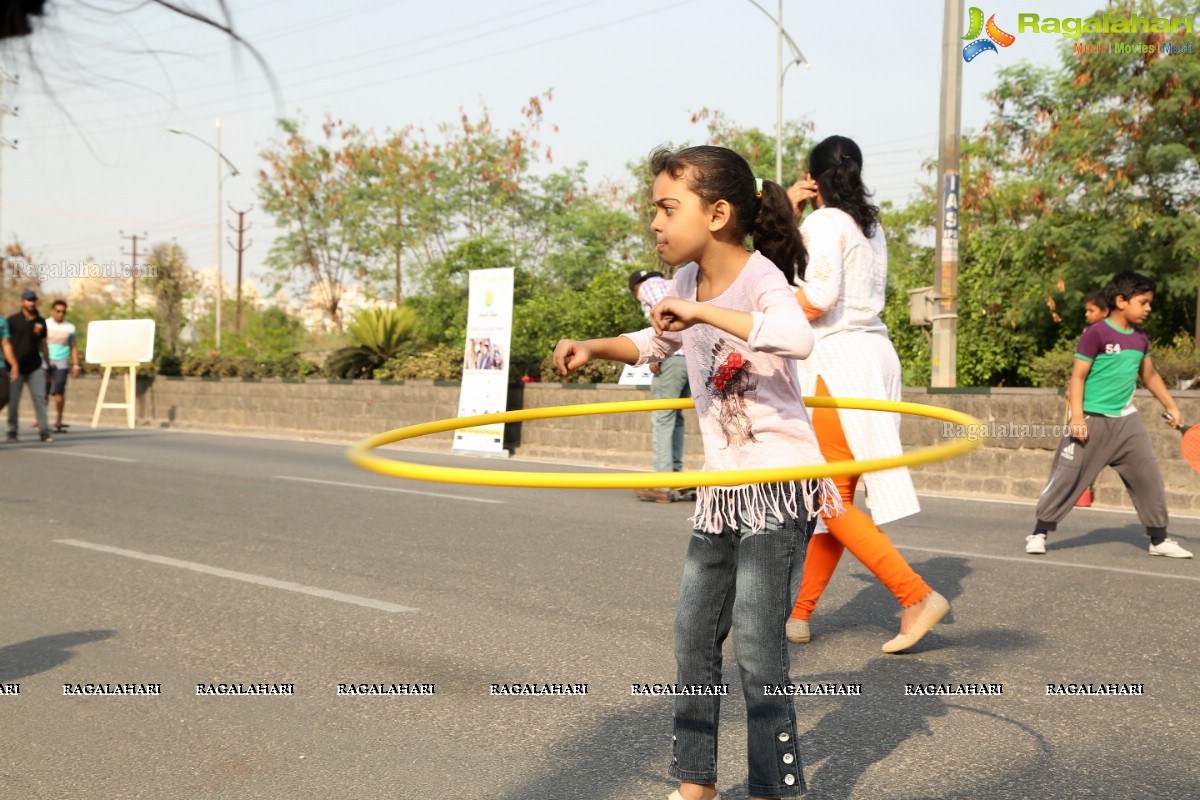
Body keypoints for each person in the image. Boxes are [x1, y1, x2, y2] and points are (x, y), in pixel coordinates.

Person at [555, 145, 838, 800]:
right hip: (722, 490)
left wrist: (707, 313)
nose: (654, 222)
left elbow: (796, 337)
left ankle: (778, 790)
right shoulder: (684, 285)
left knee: (760, 651)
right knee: (692, 638)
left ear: (716, 213)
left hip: (777, 483)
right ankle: (695, 787)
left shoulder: (760, 276)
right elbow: (656, 339)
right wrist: (595, 347)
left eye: (666, 208)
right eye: (654, 208)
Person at [782, 135, 949, 654]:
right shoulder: (870, 226)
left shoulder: (824, 223)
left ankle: (915, 595)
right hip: (874, 356)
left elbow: (817, 297)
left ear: (813, 179)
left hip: (839, 363)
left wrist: (767, 311)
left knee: (827, 499)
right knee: (839, 497)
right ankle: (799, 613)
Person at [1026, 270, 1191, 557]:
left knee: (1148, 478)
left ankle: (1159, 540)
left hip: (1127, 422)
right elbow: (1077, 377)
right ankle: (1039, 532)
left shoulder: (1139, 338)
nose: (1149, 308)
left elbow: (1149, 375)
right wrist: (1077, 418)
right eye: (1144, 302)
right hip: (1091, 419)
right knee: (1068, 477)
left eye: (1150, 302)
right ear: (1121, 301)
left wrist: (1171, 405)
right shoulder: (1096, 333)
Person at [628, 268, 692, 503]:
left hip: (673, 359)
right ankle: (675, 478)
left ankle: (663, 485)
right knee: (676, 418)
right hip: (691, 360)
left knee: (663, 417)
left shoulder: (648, 287)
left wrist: (657, 356)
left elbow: (664, 317)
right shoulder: (675, 283)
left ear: (636, 287)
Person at [6, 289, 53, 443]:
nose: (31, 303)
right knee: (13, 401)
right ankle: (12, 431)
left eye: (33, 300)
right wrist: (10, 364)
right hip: (15, 368)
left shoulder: (40, 321)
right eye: (28, 300)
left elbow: (43, 343)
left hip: (35, 366)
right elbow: (5, 343)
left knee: (40, 399)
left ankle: (44, 431)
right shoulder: (12, 320)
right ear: (22, 302)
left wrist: (48, 363)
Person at [45, 299, 81, 433]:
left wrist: (76, 365)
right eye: (58, 311)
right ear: (52, 311)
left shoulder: (70, 328)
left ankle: (59, 420)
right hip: (45, 361)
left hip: (61, 362)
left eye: (63, 311)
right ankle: (43, 419)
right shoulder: (45, 324)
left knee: (59, 392)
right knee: (44, 392)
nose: (60, 314)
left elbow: (74, 347)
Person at [0, 312, 17, 419]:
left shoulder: (2, 321)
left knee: (5, 395)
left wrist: (14, 364)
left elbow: (6, 344)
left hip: (0, 365)